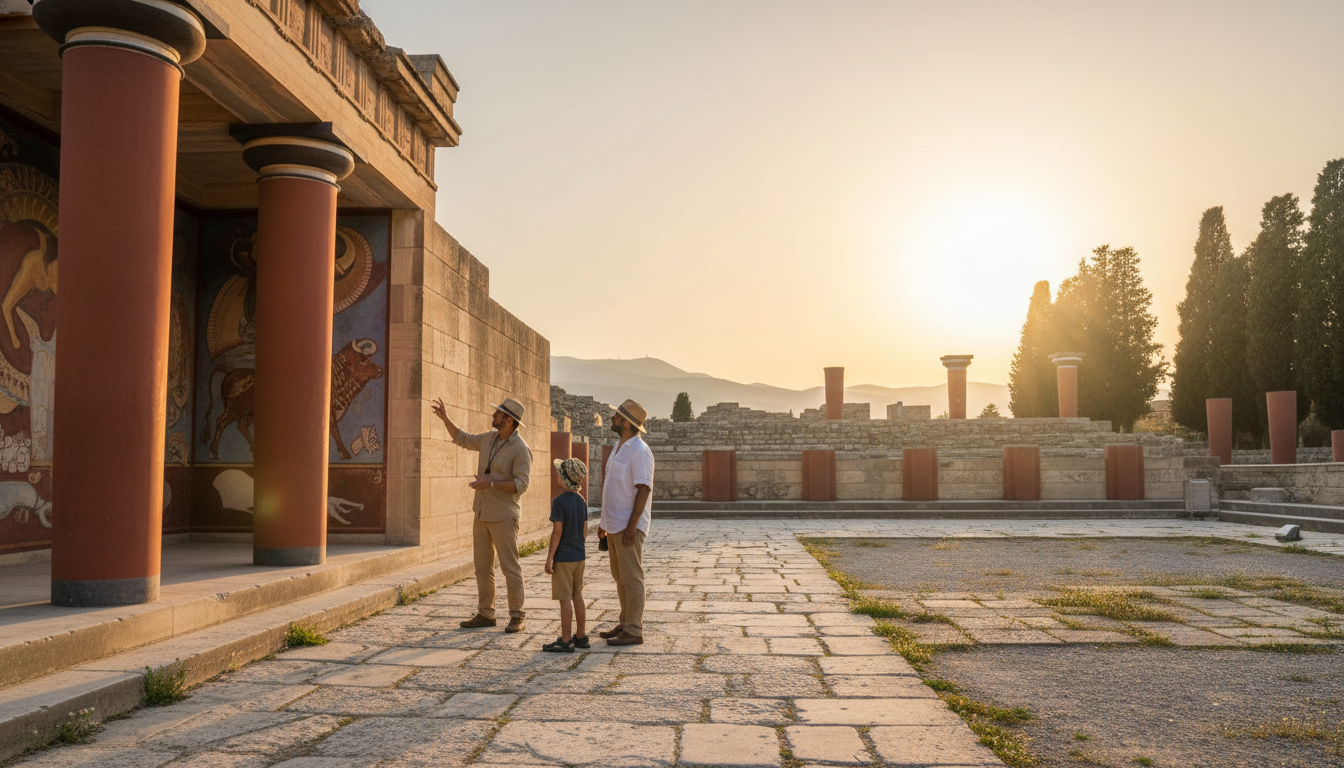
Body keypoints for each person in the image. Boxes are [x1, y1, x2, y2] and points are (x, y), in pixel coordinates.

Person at [431, 396, 533, 633]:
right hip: (481, 512)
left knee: (510, 567)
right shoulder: (489, 439)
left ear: (509, 420)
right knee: (482, 566)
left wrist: (492, 484)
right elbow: (462, 438)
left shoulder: (521, 449)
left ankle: (518, 615)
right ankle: (486, 613)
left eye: (498, 413)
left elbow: (522, 484)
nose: (494, 415)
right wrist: (445, 418)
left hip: (504, 516)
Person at [597, 399, 654, 646]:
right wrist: (604, 522)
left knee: (632, 578)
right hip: (614, 524)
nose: (612, 419)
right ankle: (624, 622)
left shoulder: (640, 451)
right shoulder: (619, 447)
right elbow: (612, 486)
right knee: (620, 577)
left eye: (617, 417)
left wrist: (632, 526)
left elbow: (643, 489)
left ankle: (634, 629)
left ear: (627, 423)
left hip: (628, 526)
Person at [543, 457, 590, 653]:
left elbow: (557, 532)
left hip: (563, 557)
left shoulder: (559, 502)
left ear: (563, 479)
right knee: (577, 596)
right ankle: (581, 636)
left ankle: (565, 639)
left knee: (565, 599)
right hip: (579, 556)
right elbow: (585, 529)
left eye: (558, 473)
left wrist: (549, 558)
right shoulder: (582, 501)